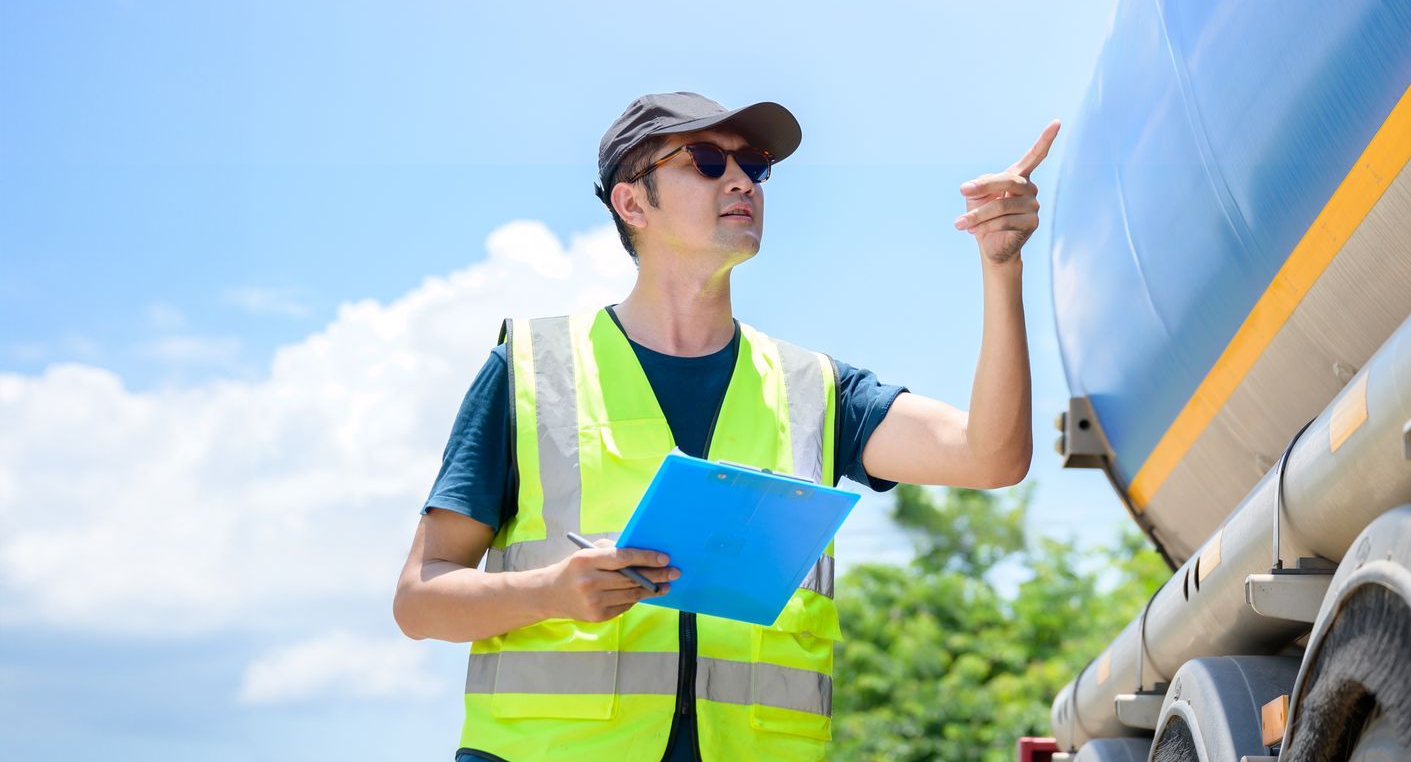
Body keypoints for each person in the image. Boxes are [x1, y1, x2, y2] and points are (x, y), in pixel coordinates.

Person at [392, 91, 1058, 762]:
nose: (742, 180)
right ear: (632, 204)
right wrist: (550, 590)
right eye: (707, 161)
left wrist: (1001, 267)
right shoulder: (531, 371)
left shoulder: (817, 390)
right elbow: (419, 601)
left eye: (756, 164)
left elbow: (991, 457)